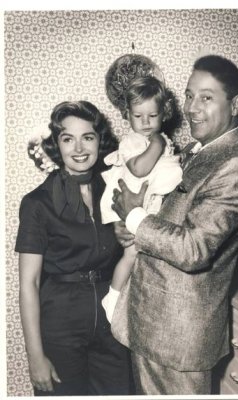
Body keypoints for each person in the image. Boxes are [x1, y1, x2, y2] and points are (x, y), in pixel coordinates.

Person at [110, 55, 238, 395]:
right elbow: (170, 219)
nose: (192, 107)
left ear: (235, 104)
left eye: (206, 97)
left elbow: (194, 249)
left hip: (178, 337)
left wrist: (136, 217)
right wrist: (135, 227)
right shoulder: (202, 151)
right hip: (153, 324)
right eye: (190, 95)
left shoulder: (237, 166)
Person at [15, 101, 133, 396]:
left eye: (88, 137)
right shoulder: (37, 204)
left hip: (111, 319)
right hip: (60, 323)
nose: (79, 148)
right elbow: (29, 283)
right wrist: (35, 357)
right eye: (68, 138)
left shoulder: (116, 191)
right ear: (57, 145)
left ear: (99, 140)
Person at [100, 76, 182, 323]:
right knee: (131, 256)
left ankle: (132, 302)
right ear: (127, 114)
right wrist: (156, 143)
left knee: (147, 259)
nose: (146, 123)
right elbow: (138, 169)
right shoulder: (132, 141)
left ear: (164, 113)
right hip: (133, 207)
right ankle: (112, 298)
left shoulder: (164, 140)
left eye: (152, 116)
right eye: (138, 116)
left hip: (149, 210)